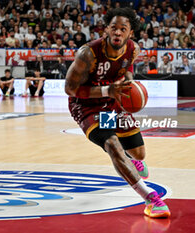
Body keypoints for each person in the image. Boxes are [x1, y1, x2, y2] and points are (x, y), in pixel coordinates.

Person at [64, 8, 170, 218]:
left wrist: (127, 83)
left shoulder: (133, 49)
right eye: (114, 28)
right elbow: (69, 88)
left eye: (123, 29)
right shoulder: (88, 53)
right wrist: (107, 90)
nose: (118, 32)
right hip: (86, 105)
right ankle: (150, 199)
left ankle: (128, 160)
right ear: (106, 30)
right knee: (112, 144)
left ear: (130, 33)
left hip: (111, 102)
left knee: (138, 154)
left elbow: (126, 70)